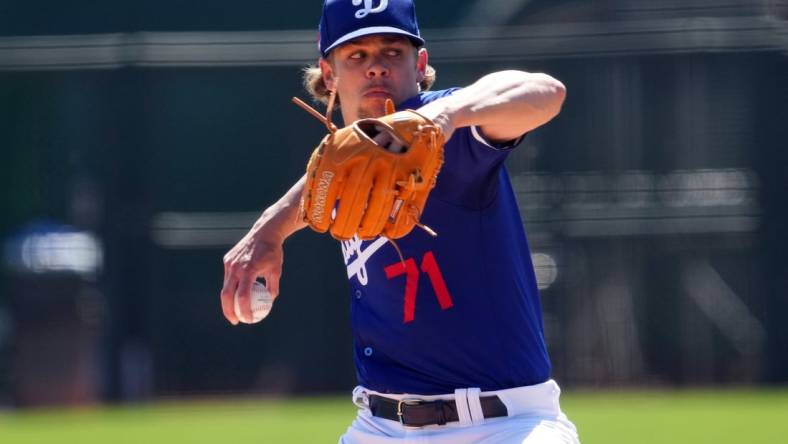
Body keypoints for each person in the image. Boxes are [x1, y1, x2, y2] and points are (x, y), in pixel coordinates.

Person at [220, 1, 578, 442]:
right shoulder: (342, 160)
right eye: (357, 55)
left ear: (420, 64)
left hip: (501, 423)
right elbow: (329, 175)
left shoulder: (453, 130)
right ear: (328, 74)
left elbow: (545, 90)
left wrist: (445, 115)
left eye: (392, 52)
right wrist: (269, 229)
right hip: (379, 425)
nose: (376, 68)